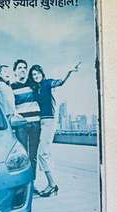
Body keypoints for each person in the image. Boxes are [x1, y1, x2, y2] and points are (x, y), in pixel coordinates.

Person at [29, 61, 80, 197]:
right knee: (43, 154)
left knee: (42, 153)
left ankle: (52, 185)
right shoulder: (35, 88)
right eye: (33, 74)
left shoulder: (47, 83)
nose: (36, 76)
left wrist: (69, 71)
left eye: (37, 73)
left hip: (49, 121)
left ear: (42, 73)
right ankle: (51, 184)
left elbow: (61, 82)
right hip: (41, 122)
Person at [11, 59, 41, 187]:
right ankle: (23, 185)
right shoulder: (11, 87)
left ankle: (32, 184)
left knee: (33, 155)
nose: (23, 69)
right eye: (20, 68)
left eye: (24, 67)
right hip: (21, 125)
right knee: (23, 155)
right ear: (15, 71)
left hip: (35, 123)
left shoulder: (33, 85)